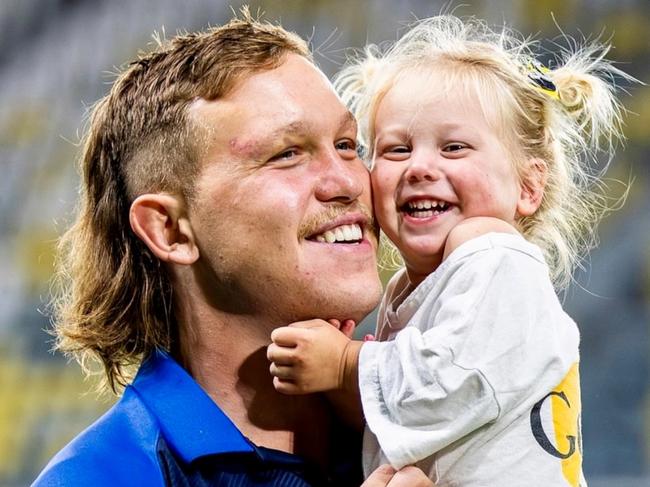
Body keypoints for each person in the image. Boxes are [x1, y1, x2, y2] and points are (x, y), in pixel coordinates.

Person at [32, 10, 433, 487]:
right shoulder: (100, 477)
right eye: (287, 154)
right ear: (170, 230)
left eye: (347, 144)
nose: (348, 181)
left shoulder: (432, 420)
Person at [267, 15, 632, 486]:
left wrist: (345, 364)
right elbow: (412, 424)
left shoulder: (501, 262)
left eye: (454, 147)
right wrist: (343, 389)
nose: (420, 167)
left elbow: (450, 383)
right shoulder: (418, 284)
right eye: (396, 150)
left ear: (528, 185)